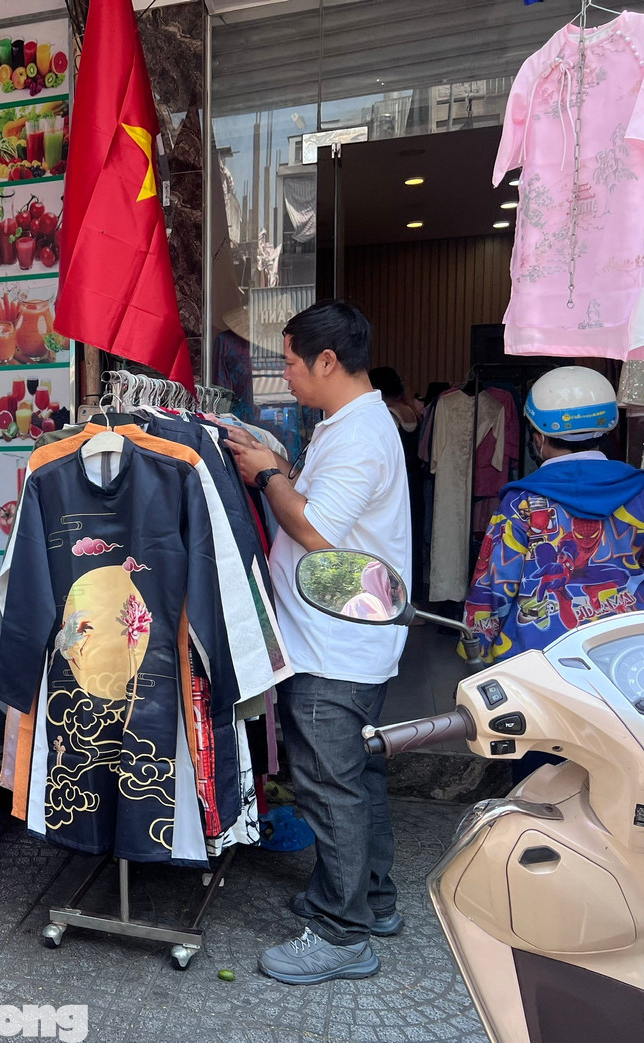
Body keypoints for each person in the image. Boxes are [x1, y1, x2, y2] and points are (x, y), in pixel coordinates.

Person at [222, 299, 412, 985]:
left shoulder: (360, 434)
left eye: (293, 364)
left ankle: (342, 933)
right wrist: (281, 465)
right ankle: (373, 898)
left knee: (329, 784)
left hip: (337, 651)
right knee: (357, 776)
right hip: (344, 639)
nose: (288, 377)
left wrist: (267, 475)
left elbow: (317, 530)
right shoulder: (349, 423)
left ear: (329, 361)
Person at [465, 366, 644, 778]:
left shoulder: (522, 503)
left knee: (538, 778)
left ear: (539, 437)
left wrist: (474, 648)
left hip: (539, 667)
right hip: (624, 662)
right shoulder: (638, 493)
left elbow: (492, 585)